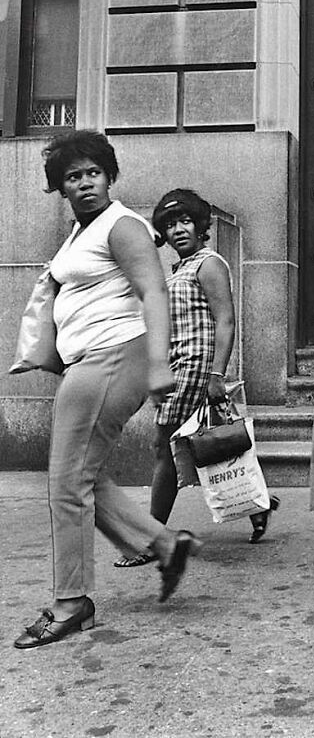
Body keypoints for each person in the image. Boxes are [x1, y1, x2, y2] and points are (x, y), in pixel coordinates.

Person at [14, 133, 200, 651]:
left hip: (115, 356)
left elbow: (153, 290)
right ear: (61, 188)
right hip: (91, 362)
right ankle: (163, 544)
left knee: (66, 483)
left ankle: (71, 603)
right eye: (73, 176)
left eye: (92, 172)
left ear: (109, 175)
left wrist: (161, 364)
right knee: (81, 477)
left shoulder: (121, 225)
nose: (84, 182)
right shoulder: (82, 231)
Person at [114, 188, 279, 566]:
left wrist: (217, 373)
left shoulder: (209, 264)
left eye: (185, 221)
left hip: (197, 368)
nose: (178, 230)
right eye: (170, 225)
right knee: (205, 447)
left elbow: (226, 319)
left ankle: (153, 540)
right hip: (176, 367)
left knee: (165, 448)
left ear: (201, 225)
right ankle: (258, 504)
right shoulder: (178, 270)